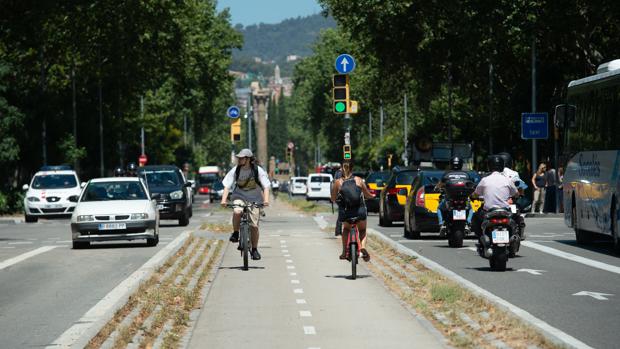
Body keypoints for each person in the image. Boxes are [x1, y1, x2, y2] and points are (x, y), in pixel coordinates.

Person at [221, 149, 270, 260]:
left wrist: (266, 200)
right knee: (237, 211)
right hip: (239, 196)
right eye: (239, 158)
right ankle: (235, 232)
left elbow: (266, 186)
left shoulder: (258, 170)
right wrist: (224, 200)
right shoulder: (236, 170)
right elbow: (227, 186)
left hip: (255, 199)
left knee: (254, 226)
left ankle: (254, 249)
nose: (239, 159)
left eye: (241, 158)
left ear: (248, 159)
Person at [330, 161, 375, 262]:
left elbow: (333, 198)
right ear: (352, 169)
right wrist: (372, 196)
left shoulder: (338, 182)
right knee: (362, 230)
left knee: (346, 229)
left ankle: (344, 251)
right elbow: (367, 195)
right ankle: (363, 248)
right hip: (359, 211)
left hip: (346, 213)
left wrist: (335, 198)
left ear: (341, 169)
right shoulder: (358, 180)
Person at [471, 155, 519, 238]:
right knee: (516, 217)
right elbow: (516, 193)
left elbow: (475, 194)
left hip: (488, 211)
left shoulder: (485, 180)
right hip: (505, 211)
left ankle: (480, 238)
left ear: (489, 166)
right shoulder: (507, 180)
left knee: (475, 217)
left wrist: (473, 196)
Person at [435, 156, 475, 236]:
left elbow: (440, 185)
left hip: (449, 199)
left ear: (451, 164)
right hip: (463, 199)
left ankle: (441, 224)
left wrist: (436, 188)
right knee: (471, 209)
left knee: (439, 208)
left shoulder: (447, 174)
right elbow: (470, 185)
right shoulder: (466, 175)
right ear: (461, 164)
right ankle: (468, 223)